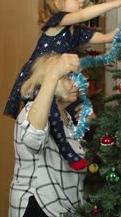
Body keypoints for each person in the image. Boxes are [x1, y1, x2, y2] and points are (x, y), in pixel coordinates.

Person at [4, 0, 121, 170]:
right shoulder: (56, 22)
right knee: (51, 109)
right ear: (57, 5)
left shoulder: (75, 31)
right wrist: (117, 2)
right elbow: (83, 14)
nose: (82, 0)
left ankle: (76, 145)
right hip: (40, 76)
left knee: (77, 110)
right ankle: (65, 149)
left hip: (61, 80)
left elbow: (106, 38)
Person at [9, 53, 92, 217]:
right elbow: (33, 139)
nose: (77, 83)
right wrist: (54, 74)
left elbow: (80, 164)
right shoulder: (32, 111)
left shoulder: (68, 118)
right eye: (68, 78)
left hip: (65, 208)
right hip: (40, 205)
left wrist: (92, 126)